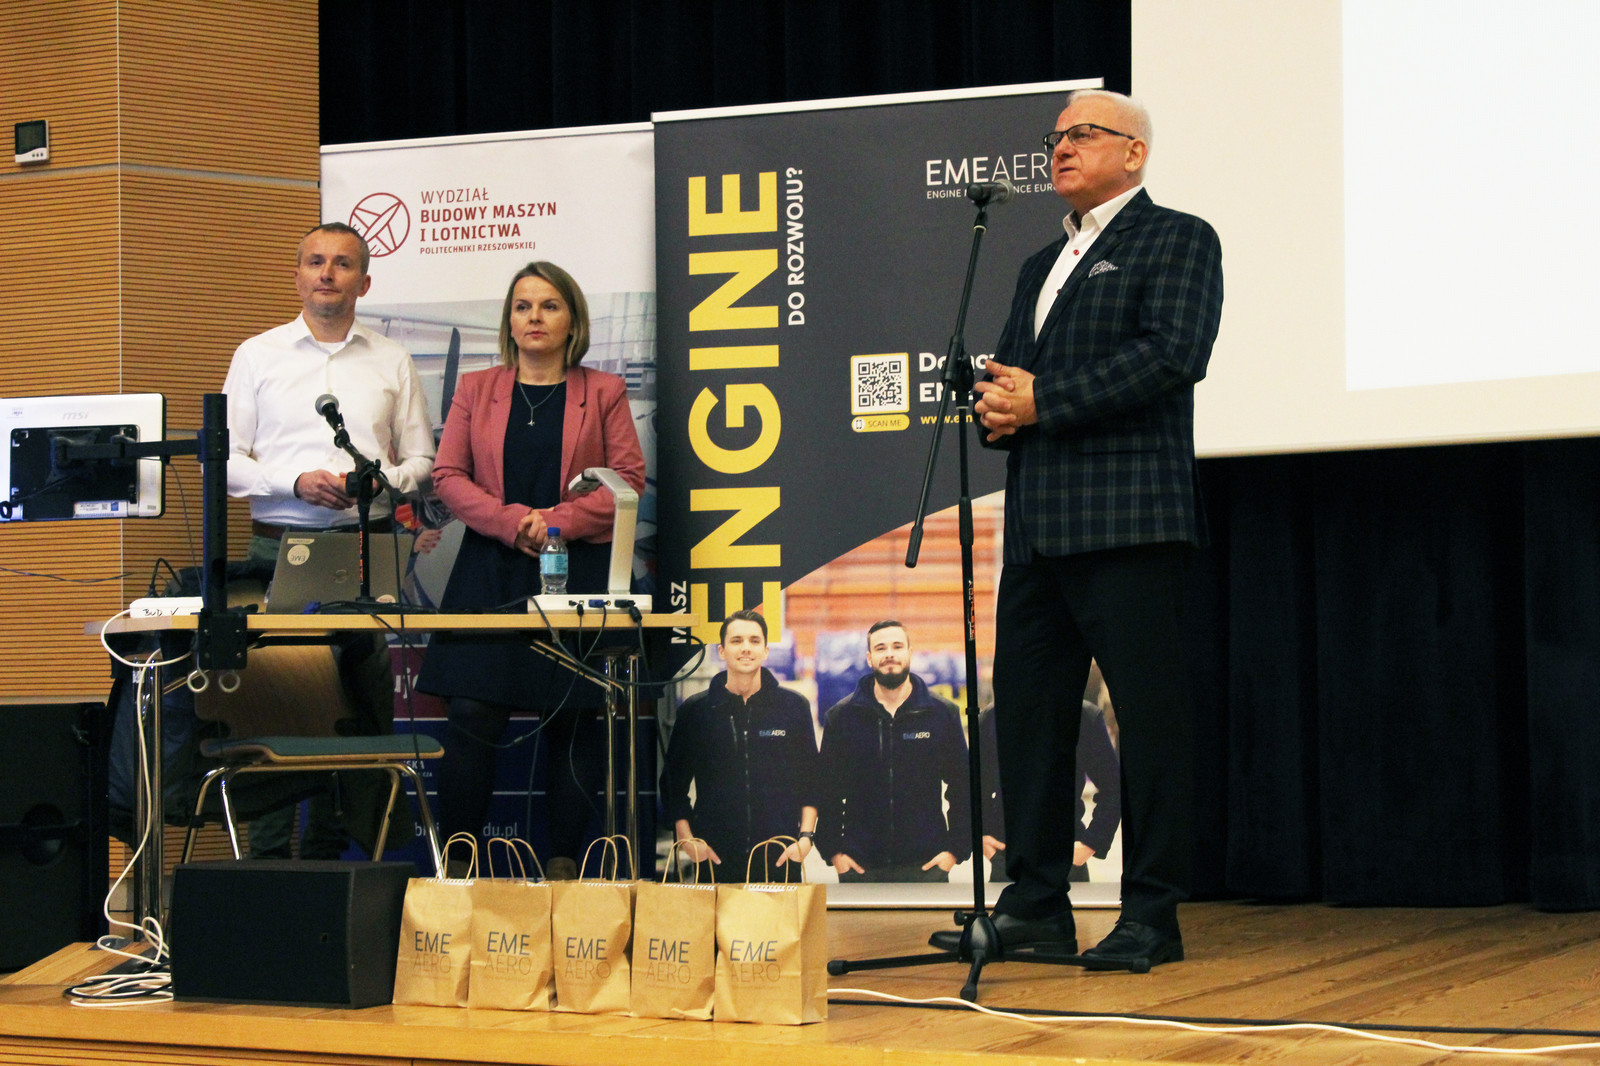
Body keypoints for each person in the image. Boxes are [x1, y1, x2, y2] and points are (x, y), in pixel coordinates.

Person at [932, 89, 1223, 971]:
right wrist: (996, 407)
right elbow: (1020, 382)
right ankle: (1035, 907)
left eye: (1082, 134)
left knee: (1150, 723)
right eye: (1055, 136)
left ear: (1134, 152)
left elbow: (1173, 354)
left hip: (1129, 522)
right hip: (1037, 530)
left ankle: (1154, 915)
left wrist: (1043, 400)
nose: (1060, 148)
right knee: (1028, 722)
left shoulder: (1178, 237)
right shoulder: (1037, 263)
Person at [416, 261, 645, 879]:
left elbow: (627, 481)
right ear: (509, 321)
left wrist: (556, 523)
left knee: (573, 720)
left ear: (572, 320)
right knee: (471, 716)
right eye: (522, 306)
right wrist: (511, 520)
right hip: (490, 569)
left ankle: (563, 870)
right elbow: (447, 476)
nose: (534, 317)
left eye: (549, 305)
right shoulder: (476, 389)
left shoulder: (604, 391)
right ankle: (457, 868)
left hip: (577, 569)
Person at [222, 221, 436, 858]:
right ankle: (265, 864)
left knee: (361, 696)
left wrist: (375, 483)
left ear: (363, 283)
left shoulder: (392, 359)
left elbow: (422, 462)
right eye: (314, 261)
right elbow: (225, 462)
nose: (326, 273)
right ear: (297, 276)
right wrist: (293, 481)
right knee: (273, 697)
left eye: (342, 263)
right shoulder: (256, 354)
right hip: (277, 546)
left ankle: (332, 857)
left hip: (364, 545)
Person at [659, 609, 819, 877]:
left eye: (754, 641)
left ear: (766, 650)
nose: (746, 648)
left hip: (779, 856)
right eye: (736, 641)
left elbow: (811, 781)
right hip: (715, 857)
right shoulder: (696, 711)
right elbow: (673, 785)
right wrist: (687, 840)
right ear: (721, 651)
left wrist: (805, 838)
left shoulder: (793, 707)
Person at [817, 621, 971, 882]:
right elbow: (827, 790)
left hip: (927, 864)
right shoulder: (841, 717)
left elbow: (962, 785)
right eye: (880, 648)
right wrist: (833, 851)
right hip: (859, 865)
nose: (889, 653)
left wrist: (955, 850)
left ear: (910, 653)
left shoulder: (942, 714)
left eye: (897, 646)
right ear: (869, 658)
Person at [977, 699, 1120, 884]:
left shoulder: (1083, 715)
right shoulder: (992, 717)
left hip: (1066, 856)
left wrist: (1091, 843)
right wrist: (983, 834)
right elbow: (976, 786)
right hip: (1007, 855)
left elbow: (1113, 787)